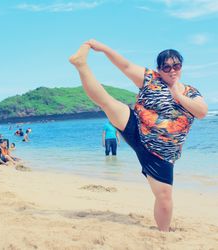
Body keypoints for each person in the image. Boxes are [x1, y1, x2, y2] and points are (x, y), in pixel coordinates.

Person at [69, 39, 208, 231]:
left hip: (161, 153)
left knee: (164, 197)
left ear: (181, 66)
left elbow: (201, 112)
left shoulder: (191, 92)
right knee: (108, 102)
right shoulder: (150, 79)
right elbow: (124, 65)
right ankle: (81, 65)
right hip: (137, 128)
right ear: (159, 69)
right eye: (166, 67)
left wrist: (178, 96)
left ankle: (163, 233)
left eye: (176, 65)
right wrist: (103, 48)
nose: (172, 70)